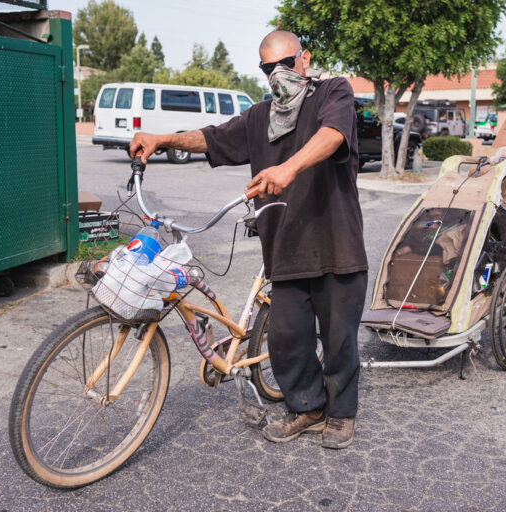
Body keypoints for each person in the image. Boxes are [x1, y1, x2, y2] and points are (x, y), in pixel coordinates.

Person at [128, 30, 367, 449]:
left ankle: (342, 414)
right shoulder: (261, 117)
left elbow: (333, 135)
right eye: (267, 69)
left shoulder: (334, 92)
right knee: (287, 339)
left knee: (339, 339)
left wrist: (288, 168)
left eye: (285, 65)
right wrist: (162, 139)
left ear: (304, 60)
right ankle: (308, 408)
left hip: (336, 244)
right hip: (286, 248)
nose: (277, 75)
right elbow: (213, 137)